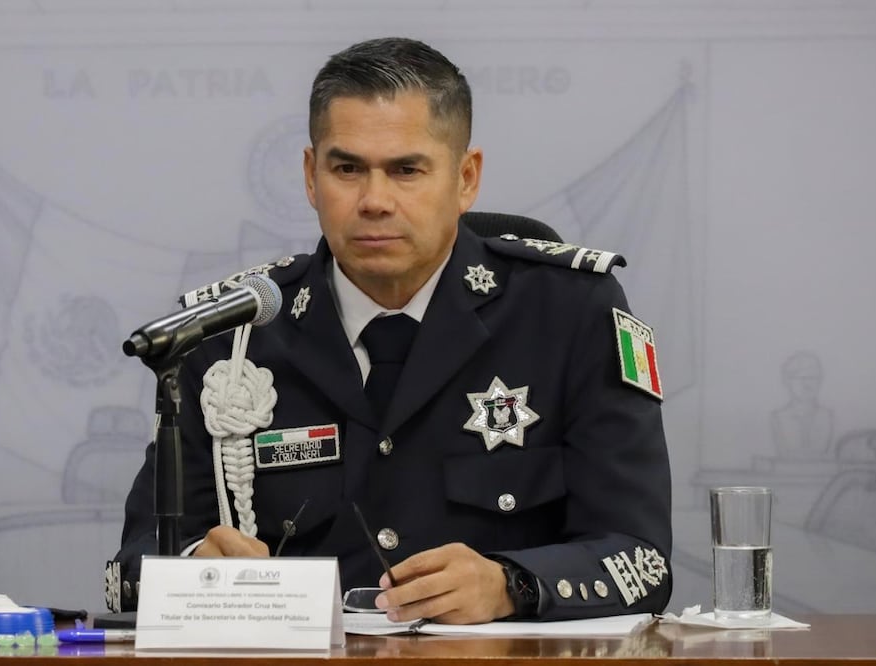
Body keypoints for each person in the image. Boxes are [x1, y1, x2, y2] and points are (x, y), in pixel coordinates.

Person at [111, 37, 672, 623]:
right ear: (310, 176)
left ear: (466, 178)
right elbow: (128, 570)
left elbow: (642, 560)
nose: (374, 201)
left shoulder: (569, 313)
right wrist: (198, 565)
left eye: (406, 170)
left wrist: (512, 585)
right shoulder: (229, 336)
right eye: (347, 168)